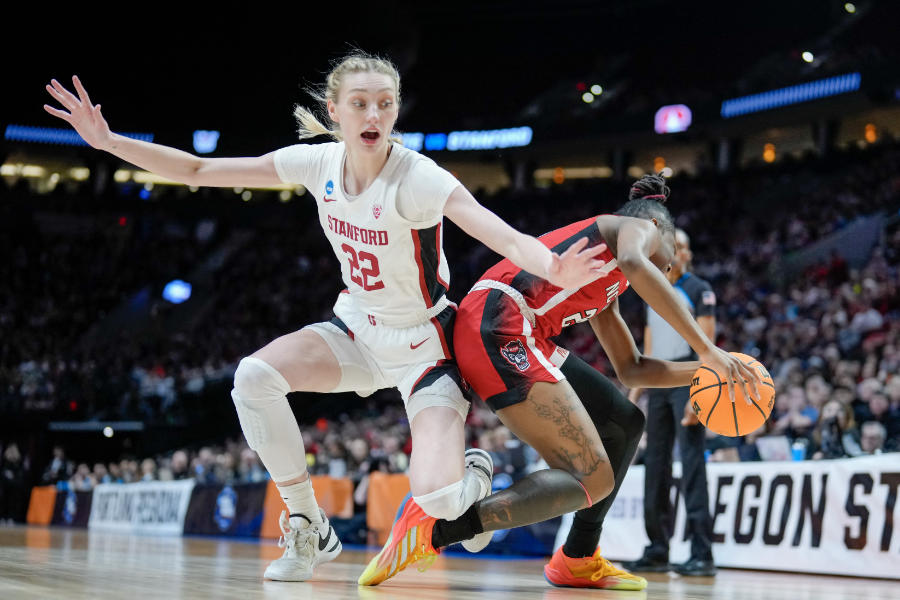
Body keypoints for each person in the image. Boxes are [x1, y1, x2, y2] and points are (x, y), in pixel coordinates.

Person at [44, 51, 607, 582]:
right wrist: (109, 141)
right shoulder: (317, 163)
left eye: (385, 102)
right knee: (253, 379)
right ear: (333, 111)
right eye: (360, 102)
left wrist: (554, 267)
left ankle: (474, 474)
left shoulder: (419, 178)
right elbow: (196, 168)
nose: (374, 114)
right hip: (357, 333)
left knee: (437, 501)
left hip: (424, 349)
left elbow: (500, 232)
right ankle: (307, 524)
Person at [358, 174, 763, 588]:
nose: (670, 268)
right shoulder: (635, 230)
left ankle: (578, 557)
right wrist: (707, 349)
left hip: (518, 331)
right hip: (500, 324)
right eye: (670, 258)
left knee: (624, 423)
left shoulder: (607, 278)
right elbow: (638, 262)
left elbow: (632, 368)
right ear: (657, 229)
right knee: (593, 477)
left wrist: (706, 371)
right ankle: (433, 530)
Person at [623, 228, 718, 576]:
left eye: (681, 247)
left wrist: (699, 392)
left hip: (689, 384)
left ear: (689, 255)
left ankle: (702, 554)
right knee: (655, 466)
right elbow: (648, 348)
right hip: (659, 385)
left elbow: (707, 343)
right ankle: (657, 549)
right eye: (671, 246)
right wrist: (635, 394)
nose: (676, 252)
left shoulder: (699, 290)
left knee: (692, 466)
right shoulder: (653, 292)